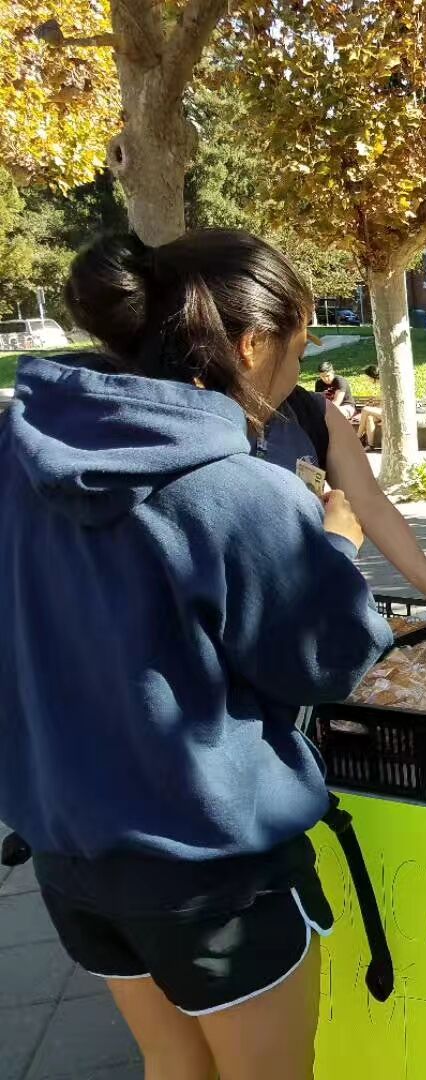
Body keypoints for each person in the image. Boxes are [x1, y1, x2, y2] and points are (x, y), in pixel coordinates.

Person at [0, 230, 392, 1080]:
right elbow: (327, 662)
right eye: (299, 344)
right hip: (211, 874)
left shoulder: (16, 457)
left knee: (173, 1063)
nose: (299, 368)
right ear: (252, 346)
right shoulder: (242, 492)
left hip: (71, 854)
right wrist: (336, 540)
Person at [261, 365, 426, 610]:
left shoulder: (312, 412)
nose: (299, 368)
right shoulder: (209, 418)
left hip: (307, 599)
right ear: (252, 344)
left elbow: (368, 502)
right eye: (295, 354)